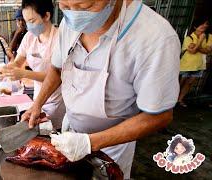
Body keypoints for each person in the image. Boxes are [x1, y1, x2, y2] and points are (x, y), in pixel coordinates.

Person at [21, 0, 181, 178]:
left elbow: (159, 116)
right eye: (65, 6)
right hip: (69, 134)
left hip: (113, 147)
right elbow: (57, 69)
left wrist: (89, 143)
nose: (75, 14)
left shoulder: (155, 38)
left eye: (85, 7)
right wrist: (37, 104)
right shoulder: (70, 23)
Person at [0, 0, 65, 129]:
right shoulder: (29, 37)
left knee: (55, 135)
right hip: (37, 99)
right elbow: (18, 62)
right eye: (26, 21)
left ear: (46, 16)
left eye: (32, 21)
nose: (28, 26)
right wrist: (6, 69)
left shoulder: (59, 39)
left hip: (57, 101)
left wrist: (24, 74)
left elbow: (56, 76)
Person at [178, 19, 210, 107]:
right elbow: (192, 51)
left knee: (189, 83)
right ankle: (171, 100)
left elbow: (208, 50)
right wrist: (200, 41)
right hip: (186, 65)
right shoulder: (189, 38)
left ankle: (180, 99)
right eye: (201, 25)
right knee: (180, 82)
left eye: (205, 25)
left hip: (199, 65)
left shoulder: (209, 37)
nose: (204, 27)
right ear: (195, 27)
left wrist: (196, 46)